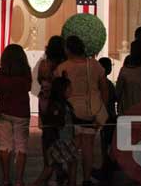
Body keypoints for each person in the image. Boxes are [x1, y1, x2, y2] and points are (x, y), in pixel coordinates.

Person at [54, 36, 108, 186]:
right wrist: (101, 107)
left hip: (71, 113)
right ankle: (86, 179)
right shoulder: (95, 66)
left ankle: (71, 180)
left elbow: (57, 91)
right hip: (91, 111)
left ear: (68, 49)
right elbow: (104, 88)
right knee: (88, 147)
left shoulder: (63, 68)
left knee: (73, 148)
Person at [0, 44, 32, 186]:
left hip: (4, 111)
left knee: (5, 145)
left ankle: (5, 178)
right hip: (21, 111)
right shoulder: (25, 72)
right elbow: (28, 88)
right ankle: (19, 180)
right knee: (21, 146)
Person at [31, 76, 78, 186]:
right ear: (62, 90)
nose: (71, 90)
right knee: (54, 167)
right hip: (60, 141)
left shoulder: (65, 105)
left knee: (54, 166)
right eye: (69, 88)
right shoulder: (57, 105)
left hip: (63, 140)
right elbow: (52, 121)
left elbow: (73, 119)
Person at [97, 57, 117, 184]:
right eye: (109, 66)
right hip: (107, 116)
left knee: (106, 144)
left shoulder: (103, 83)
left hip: (107, 116)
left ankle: (106, 166)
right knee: (107, 144)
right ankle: (106, 167)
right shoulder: (106, 84)